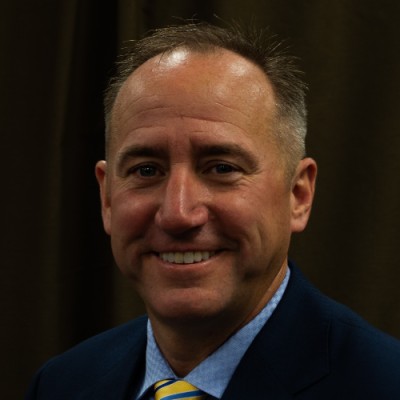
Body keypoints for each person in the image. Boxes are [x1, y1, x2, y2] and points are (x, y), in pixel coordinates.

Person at [26, 22, 400, 399]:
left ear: (298, 195)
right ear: (107, 198)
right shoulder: (61, 385)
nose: (178, 213)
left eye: (221, 168)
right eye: (146, 170)